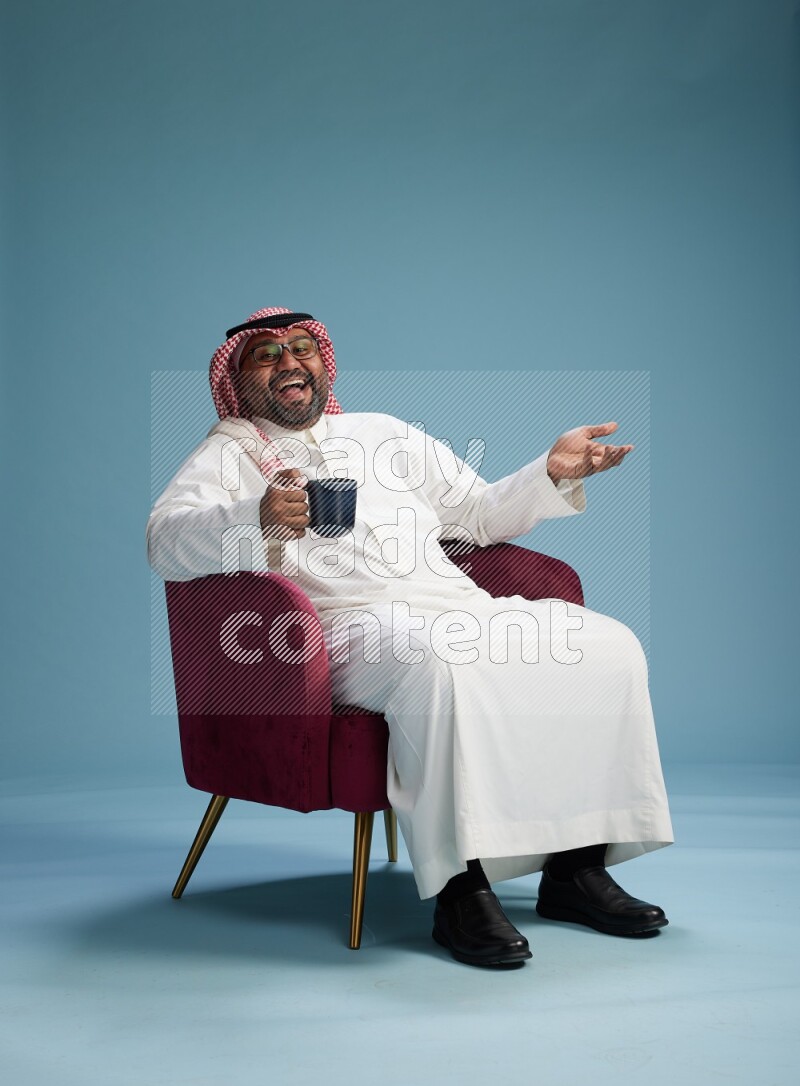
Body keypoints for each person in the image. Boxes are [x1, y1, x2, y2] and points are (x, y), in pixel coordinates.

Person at [147, 306, 674, 968]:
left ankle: (575, 869)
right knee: (438, 663)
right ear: (239, 378)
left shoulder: (384, 434)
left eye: (302, 348)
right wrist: (248, 517)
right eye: (268, 354)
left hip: (451, 604)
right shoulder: (226, 454)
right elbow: (164, 543)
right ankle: (460, 891)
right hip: (337, 631)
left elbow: (480, 516)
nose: (290, 362)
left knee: (605, 648)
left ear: (323, 363)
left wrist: (552, 471)